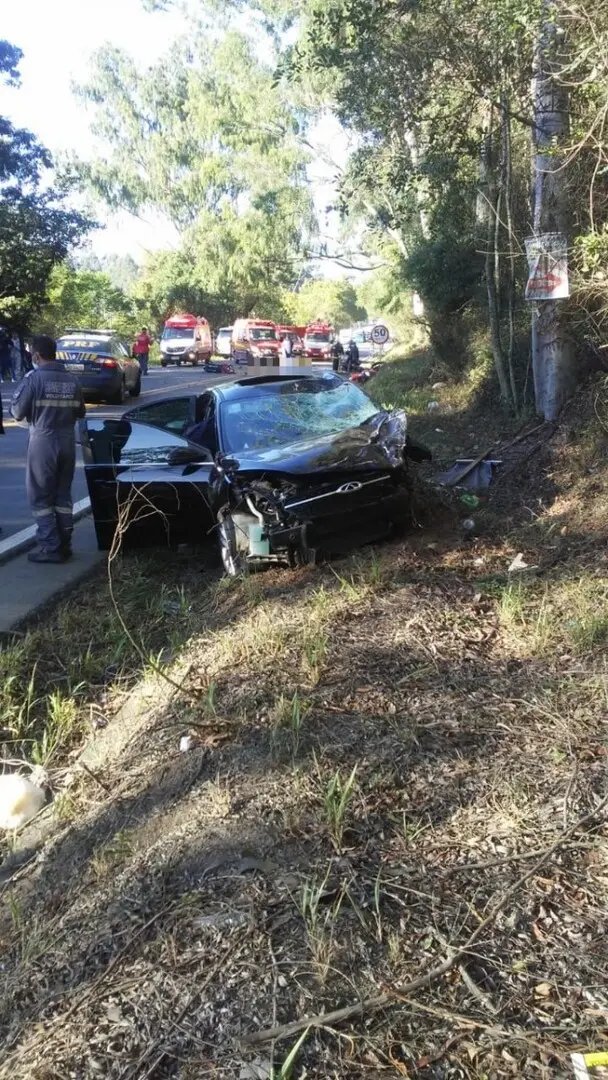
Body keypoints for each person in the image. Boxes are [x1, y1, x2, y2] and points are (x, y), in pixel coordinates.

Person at [10, 334, 85, 564]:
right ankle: (64, 543)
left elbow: (17, 412)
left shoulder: (34, 379)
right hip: (66, 442)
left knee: (41, 497)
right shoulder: (72, 380)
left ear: (36, 355)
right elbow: (80, 412)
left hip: (43, 441)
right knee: (63, 496)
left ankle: (50, 546)